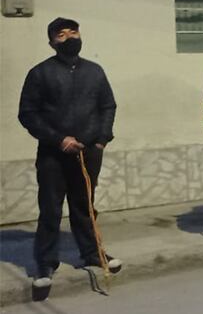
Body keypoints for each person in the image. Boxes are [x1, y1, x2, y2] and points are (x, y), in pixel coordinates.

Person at [18, 18, 121, 290]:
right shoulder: (40, 73)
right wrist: (58, 139)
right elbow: (28, 114)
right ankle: (45, 263)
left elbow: (107, 106)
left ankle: (92, 254)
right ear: (52, 42)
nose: (69, 38)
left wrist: (100, 140)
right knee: (50, 209)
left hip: (88, 153)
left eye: (73, 32)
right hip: (53, 154)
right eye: (61, 35)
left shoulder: (94, 71)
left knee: (85, 206)